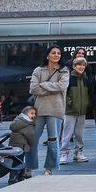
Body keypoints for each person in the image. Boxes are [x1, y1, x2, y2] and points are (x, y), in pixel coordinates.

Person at [28, 45, 69, 176]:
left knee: (53, 140)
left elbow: (62, 86)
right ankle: (29, 167)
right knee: (33, 139)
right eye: (53, 53)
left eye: (59, 53)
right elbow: (33, 88)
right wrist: (52, 88)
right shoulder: (38, 70)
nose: (57, 55)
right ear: (47, 55)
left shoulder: (64, 71)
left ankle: (49, 168)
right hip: (38, 109)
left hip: (56, 109)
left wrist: (43, 85)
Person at [60, 57, 92, 164]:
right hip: (70, 111)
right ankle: (64, 154)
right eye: (79, 64)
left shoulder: (85, 79)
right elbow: (64, 93)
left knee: (79, 134)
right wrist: (69, 103)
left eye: (83, 65)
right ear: (74, 66)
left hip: (82, 111)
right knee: (67, 134)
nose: (81, 67)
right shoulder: (69, 78)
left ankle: (78, 152)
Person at [8, 106, 37, 183]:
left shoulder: (17, 120)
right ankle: (15, 177)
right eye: (32, 113)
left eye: (35, 114)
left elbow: (11, 127)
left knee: (15, 161)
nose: (34, 115)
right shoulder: (28, 124)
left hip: (13, 145)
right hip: (22, 146)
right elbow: (30, 136)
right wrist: (32, 144)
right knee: (20, 162)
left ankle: (16, 176)